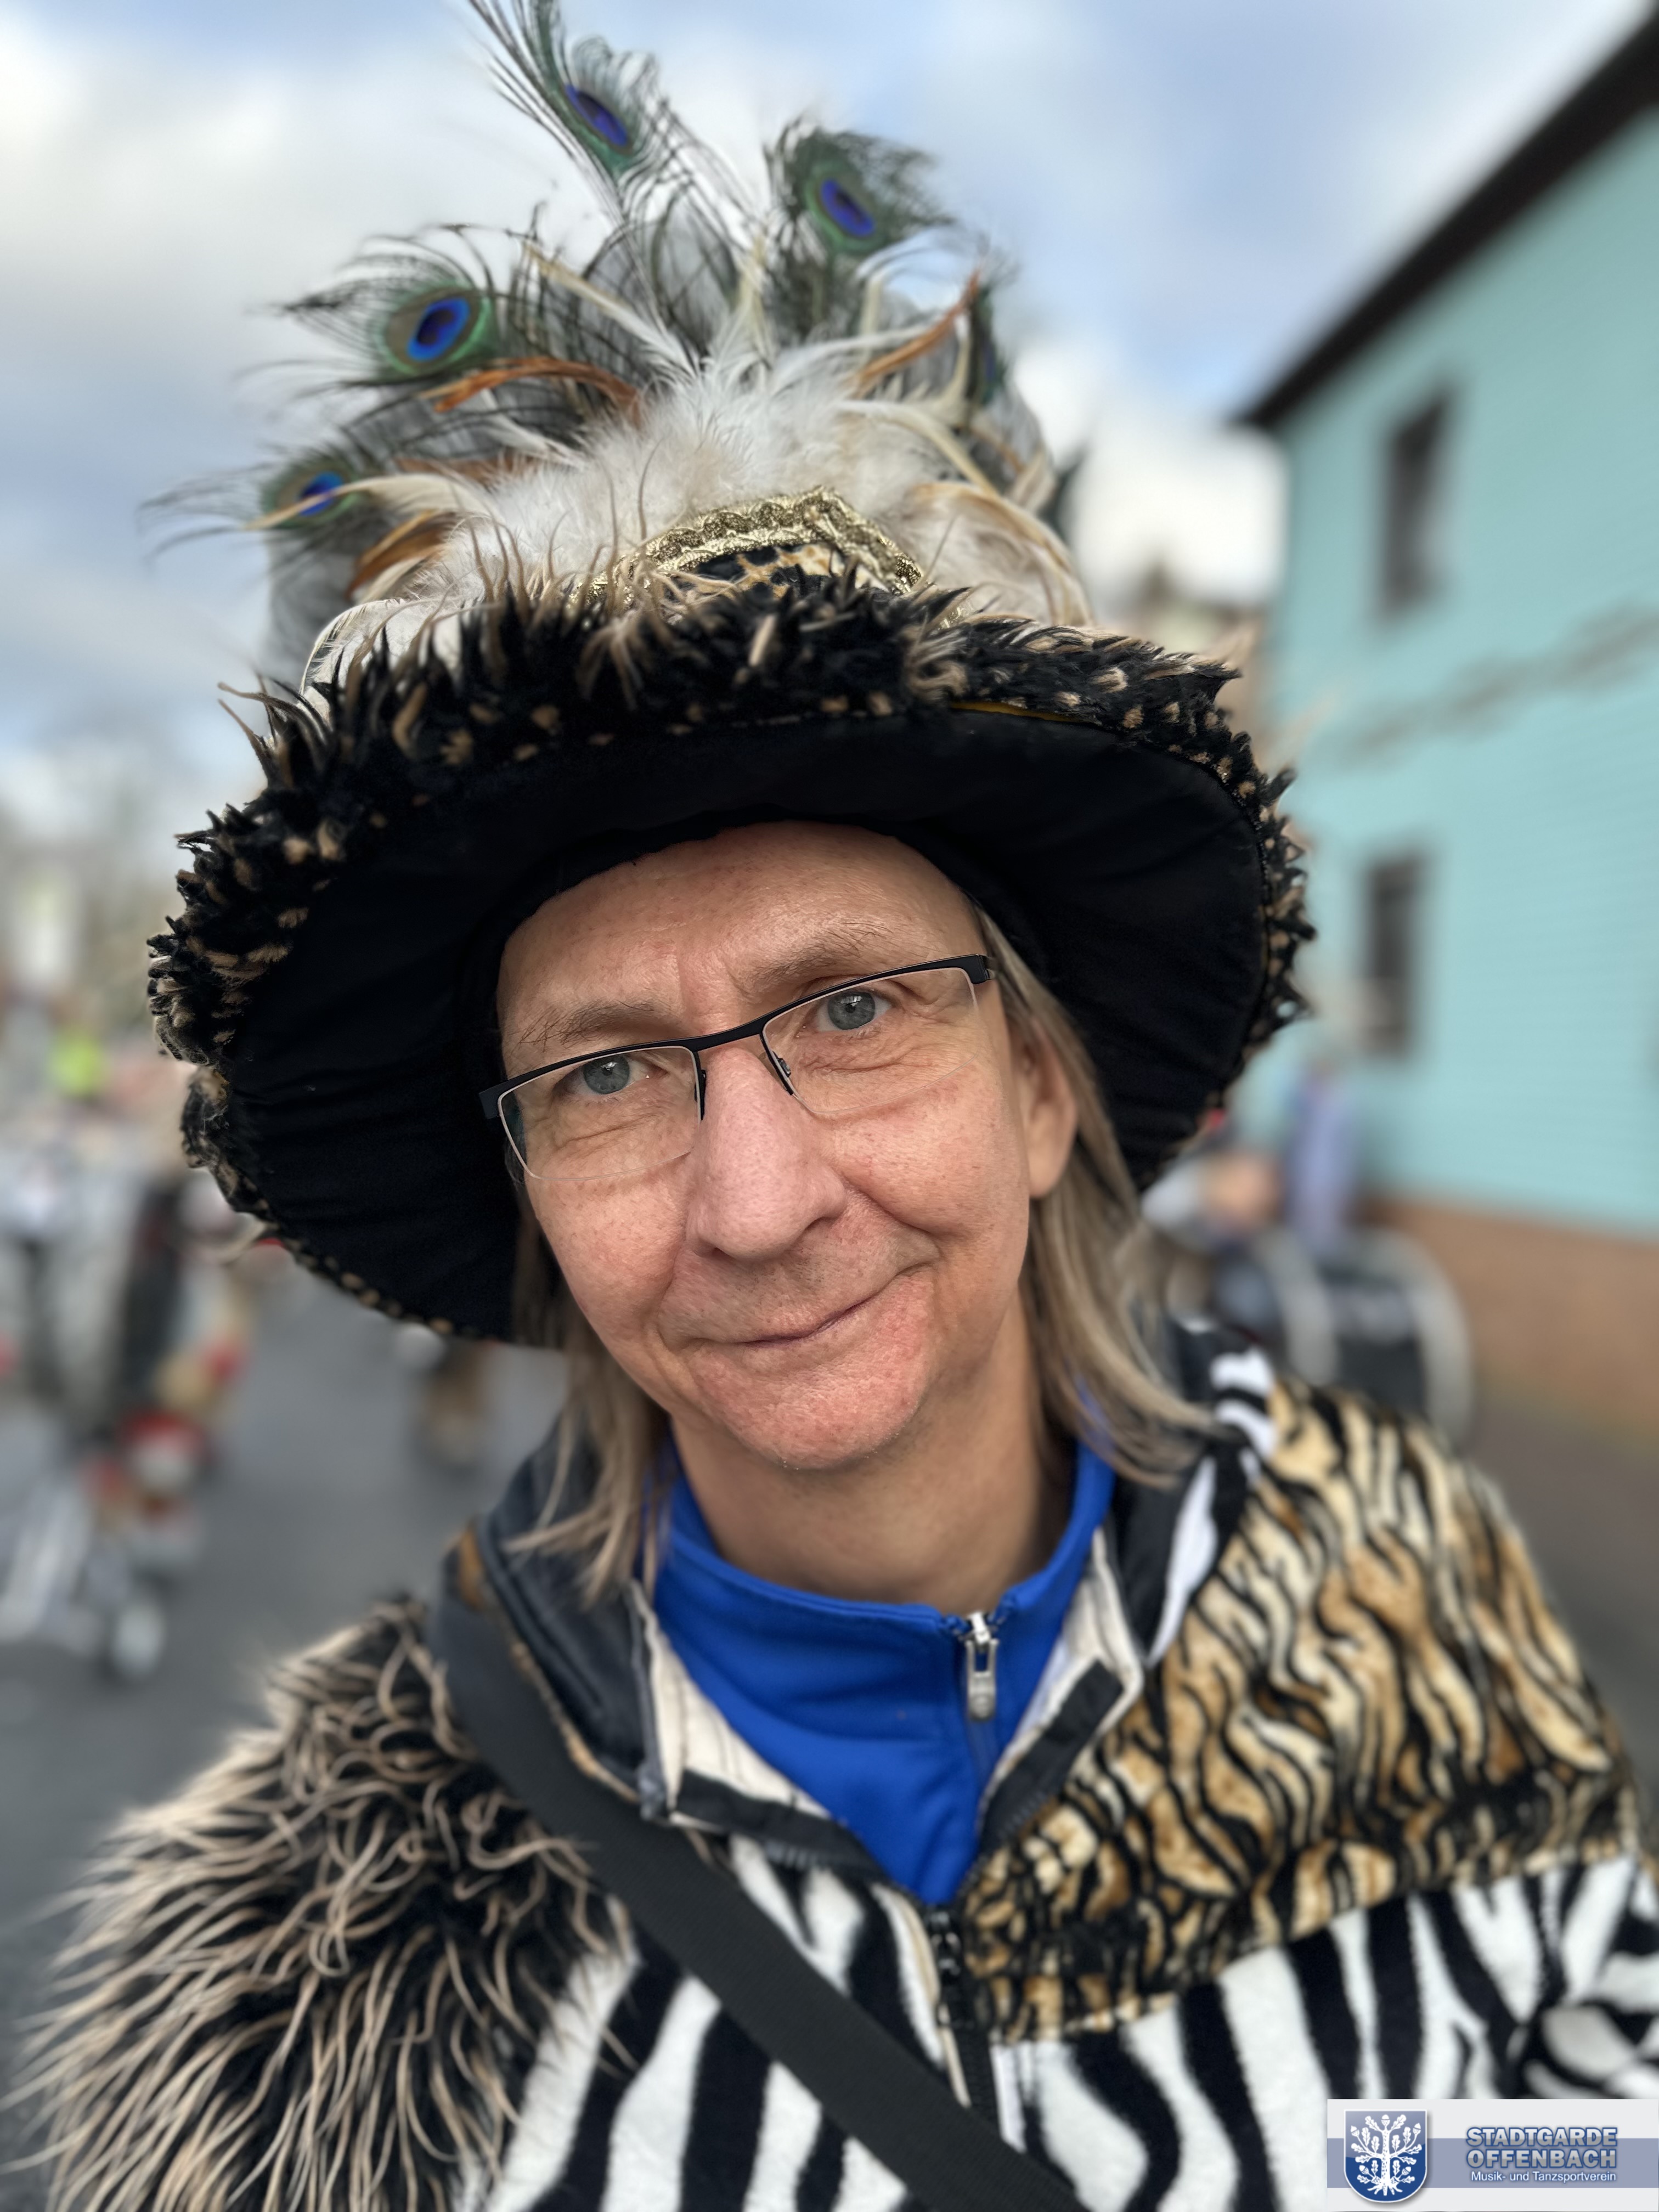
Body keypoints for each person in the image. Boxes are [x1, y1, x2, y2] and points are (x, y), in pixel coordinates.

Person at [31, 8, 1657, 2208]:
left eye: (860, 1007)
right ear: (523, 1176)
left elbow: (1580, 2132)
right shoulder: (328, 1998)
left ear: (1044, 1082)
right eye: (609, 1071)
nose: (757, 1199)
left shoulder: (1406, 1605)